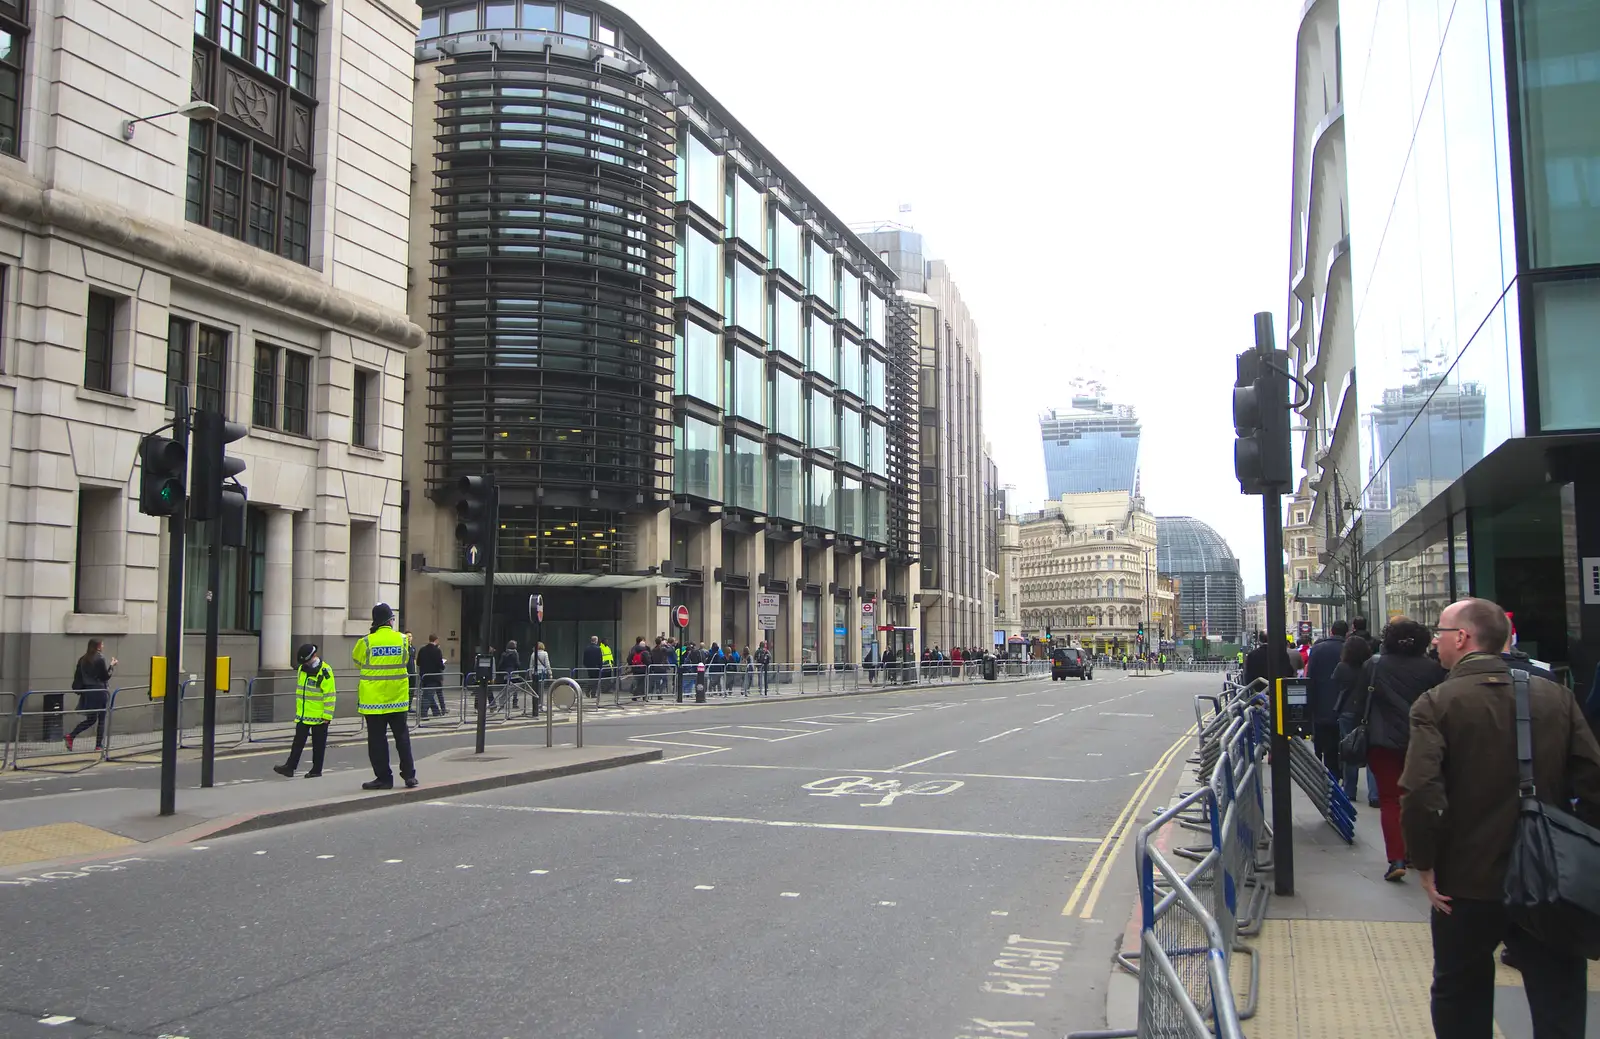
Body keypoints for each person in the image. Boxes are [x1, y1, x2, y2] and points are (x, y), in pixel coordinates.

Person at [1401, 597, 1600, 1038]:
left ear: (1462, 637)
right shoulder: (1557, 697)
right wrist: (1581, 852)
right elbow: (1594, 784)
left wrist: (1425, 861)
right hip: (1551, 879)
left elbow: (1419, 792)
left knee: (1460, 991)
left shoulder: (1436, 703)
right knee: (1559, 994)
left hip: (1465, 880)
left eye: (1440, 630)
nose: (1434, 640)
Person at [1343, 617, 1445, 881]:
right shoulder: (1433, 669)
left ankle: (1396, 858)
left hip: (1382, 741)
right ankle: (1418, 854)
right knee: (1420, 799)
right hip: (1422, 742)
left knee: (1390, 800)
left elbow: (1359, 703)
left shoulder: (1374, 665)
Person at [353, 602, 417, 790]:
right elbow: (406, 660)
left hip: (373, 701)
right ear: (390, 620)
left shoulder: (365, 642)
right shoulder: (403, 640)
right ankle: (409, 775)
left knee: (377, 741)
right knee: (402, 738)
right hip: (397, 698)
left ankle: (384, 778)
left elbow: (358, 662)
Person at [274, 643, 335, 778]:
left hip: (319, 716)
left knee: (318, 744)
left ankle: (316, 770)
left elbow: (330, 695)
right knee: (298, 742)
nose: (305, 664)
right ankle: (290, 767)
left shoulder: (325, 671)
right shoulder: (302, 669)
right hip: (303, 715)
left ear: (313, 656)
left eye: (307, 661)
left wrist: (327, 715)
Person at [1331, 631, 1376, 802]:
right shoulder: (1371, 665)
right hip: (1367, 711)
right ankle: (1375, 794)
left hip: (1348, 712)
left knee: (1350, 750)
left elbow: (1335, 685)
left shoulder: (1342, 667)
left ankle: (1350, 790)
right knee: (1371, 751)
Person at [1305, 620, 1348, 778]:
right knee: (1345, 740)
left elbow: (1310, 677)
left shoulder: (1317, 649)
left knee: (1328, 743)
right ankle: (1344, 773)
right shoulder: (1351, 648)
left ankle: (1332, 774)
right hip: (1347, 703)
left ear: (1331, 631)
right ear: (1346, 632)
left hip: (1323, 703)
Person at [64, 638, 114, 752]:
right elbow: (105, 676)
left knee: (91, 719)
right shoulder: (100, 658)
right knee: (101, 718)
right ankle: (98, 745)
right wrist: (112, 665)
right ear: (98, 646)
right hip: (100, 691)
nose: (103, 646)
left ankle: (71, 736)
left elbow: (78, 677)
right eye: (102, 644)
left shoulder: (83, 659)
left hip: (88, 692)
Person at [416, 634, 447, 718]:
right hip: (434, 676)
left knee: (428, 694)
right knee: (428, 695)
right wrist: (443, 665)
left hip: (424, 676)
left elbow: (418, 662)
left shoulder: (422, 650)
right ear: (436, 640)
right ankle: (423, 713)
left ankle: (436, 711)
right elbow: (440, 664)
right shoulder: (437, 651)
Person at [498, 640, 522, 709]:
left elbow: (500, 664)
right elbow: (517, 663)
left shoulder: (504, 654)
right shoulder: (515, 653)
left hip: (506, 673)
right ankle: (514, 703)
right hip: (514, 673)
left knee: (506, 688)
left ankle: (502, 702)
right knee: (515, 688)